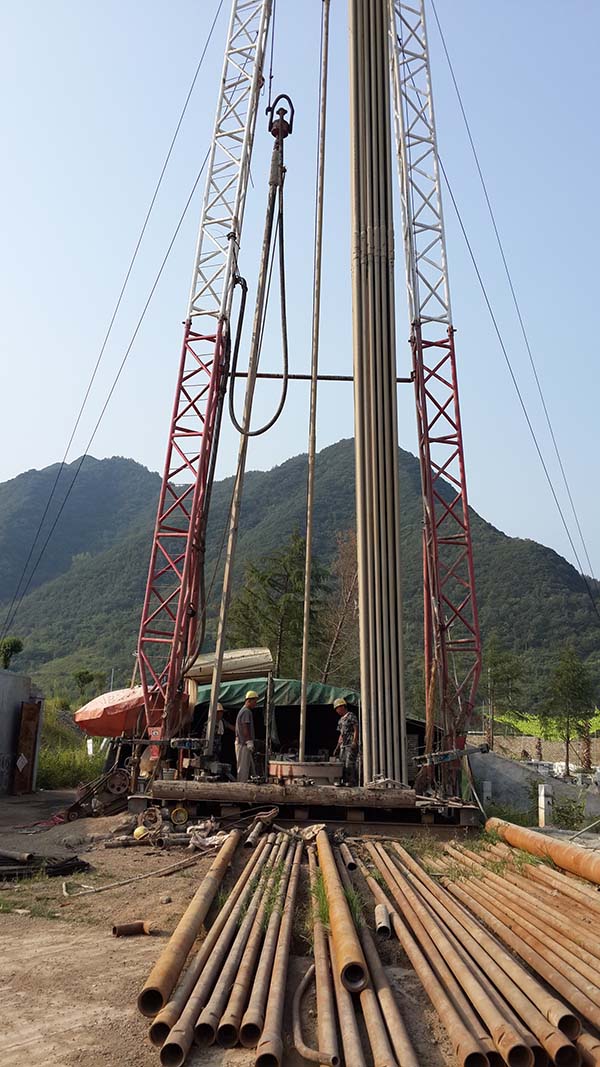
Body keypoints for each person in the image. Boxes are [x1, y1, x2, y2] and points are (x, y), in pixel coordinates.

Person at [332, 697, 359, 786]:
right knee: (342, 763)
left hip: (350, 743)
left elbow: (356, 728)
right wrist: (337, 747)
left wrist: (355, 741)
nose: (337, 711)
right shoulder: (340, 720)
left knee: (349, 763)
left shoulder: (351, 716)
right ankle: (343, 780)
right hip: (343, 745)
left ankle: (351, 781)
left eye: (338, 708)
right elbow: (341, 734)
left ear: (343, 707)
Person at [235, 690, 258, 782]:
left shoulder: (243, 711)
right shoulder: (246, 712)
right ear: (249, 700)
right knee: (243, 768)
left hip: (241, 743)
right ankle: (241, 786)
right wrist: (249, 741)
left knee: (245, 766)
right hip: (243, 743)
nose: (255, 704)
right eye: (254, 702)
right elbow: (245, 727)